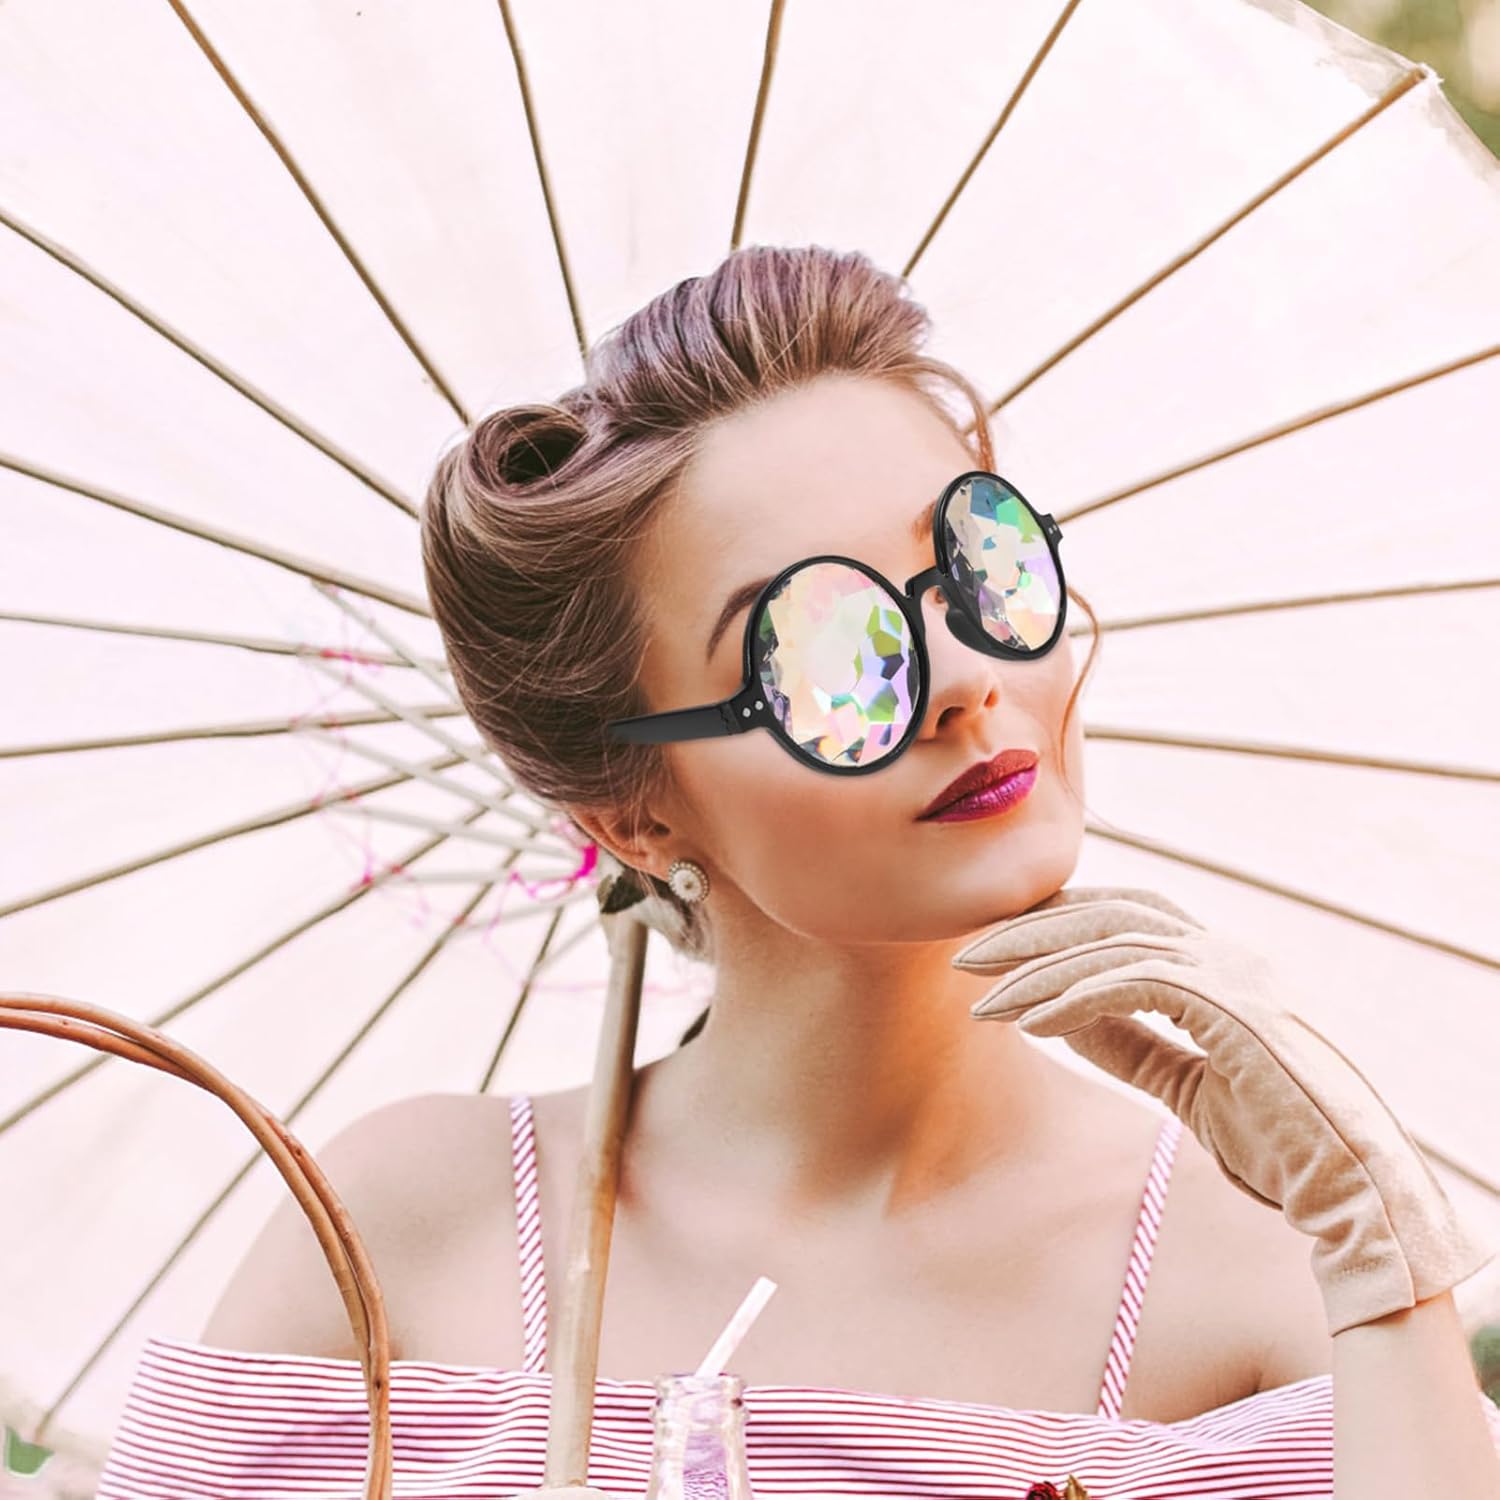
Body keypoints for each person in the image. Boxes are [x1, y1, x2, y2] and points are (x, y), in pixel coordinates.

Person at [94, 245, 1500, 1498]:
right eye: (825, 651)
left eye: (983, 564)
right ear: (637, 815)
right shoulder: (411, 1227)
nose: (963, 678)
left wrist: (1381, 1259)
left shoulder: (1270, 1278)